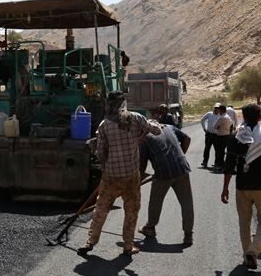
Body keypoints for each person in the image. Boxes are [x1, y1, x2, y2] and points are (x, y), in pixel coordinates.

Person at [77, 91, 160, 256]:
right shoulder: (136, 118)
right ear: (123, 103)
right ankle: (128, 246)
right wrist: (152, 123)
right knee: (131, 209)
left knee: (101, 209)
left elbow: (100, 152)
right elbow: (157, 131)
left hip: (111, 176)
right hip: (131, 176)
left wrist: (106, 166)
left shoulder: (104, 125)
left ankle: (90, 242)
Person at [220, 103, 261, 269]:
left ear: (244, 116)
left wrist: (225, 187)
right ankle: (253, 251)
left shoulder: (236, 135)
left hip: (243, 186)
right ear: (259, 117)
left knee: (244, 221)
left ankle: (247, 255)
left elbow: (229, 164)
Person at [138, 123, 195, 245]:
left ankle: (150, 228)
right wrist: (180, 157)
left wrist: (136, 181)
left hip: (163, 173)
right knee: (186, 203)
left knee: (155, 202)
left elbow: (141, 166)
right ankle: (188, 235)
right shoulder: (168, 127)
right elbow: (187, 138)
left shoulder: (145, 138)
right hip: (182, 168)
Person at [212, 104, 233, 169]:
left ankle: (220, 165)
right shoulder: (228, 117)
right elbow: (231, 125)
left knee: (219, 151)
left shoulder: (221, 118)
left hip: (221, 136)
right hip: (227, 135)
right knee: (224, 151)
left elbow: (214, 127)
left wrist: (218, 127)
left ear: (220, 110)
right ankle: (223, 164)